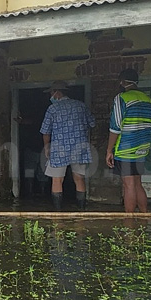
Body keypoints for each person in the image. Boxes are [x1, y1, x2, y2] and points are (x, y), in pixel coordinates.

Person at [40, 81, 95, 211]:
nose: (51, 96)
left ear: (57, 93)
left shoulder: (52, 109)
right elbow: (92, 124)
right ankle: (81, 210)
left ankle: (58, 212)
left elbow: (45, 131)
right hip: (79, 147)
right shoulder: (81, 106)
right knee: (79, 179)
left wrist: (47, 147)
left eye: (51, 93)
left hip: (59, 149)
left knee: (57, 180)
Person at [106, 68, 151, 213]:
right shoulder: (149, 100)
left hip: (126, 148)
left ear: (122, 82)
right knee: (137, 183)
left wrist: (109, 150)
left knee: (128, 185)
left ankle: (130, 222)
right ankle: (144, 214)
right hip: (142, 147)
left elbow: (115, 128)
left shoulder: (121, 98)